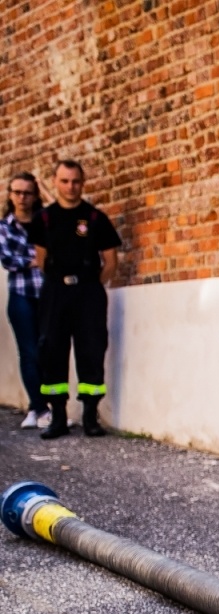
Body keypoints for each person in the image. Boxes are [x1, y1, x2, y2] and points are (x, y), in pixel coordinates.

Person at [29, 160, 122, 439]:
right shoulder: (44, 219)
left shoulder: (94, 218)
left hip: (88, 292)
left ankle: (90, 417)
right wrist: (62, 283)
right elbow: (42, 259)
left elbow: (110, 261)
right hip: (56, 291)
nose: (71, 187)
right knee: (52, 350)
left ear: (83, 183)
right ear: (55, 181)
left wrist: (90, 285)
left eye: (76, 181)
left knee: (91, 350)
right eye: (65, 181)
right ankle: (58, 417)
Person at [2, 173, 48, 428]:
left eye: (27, 193)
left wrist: (37, 260)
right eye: (17, 192)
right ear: (10, 195)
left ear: (35, 195)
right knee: (29, 352)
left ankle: (36, 407)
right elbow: (8, 261)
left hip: (46, 294)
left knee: (47, 349)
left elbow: (55, 249)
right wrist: (36, 260)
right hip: (21, 295)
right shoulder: (4, 227)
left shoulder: (45, 222)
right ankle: (40, 409)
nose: (22, 198)